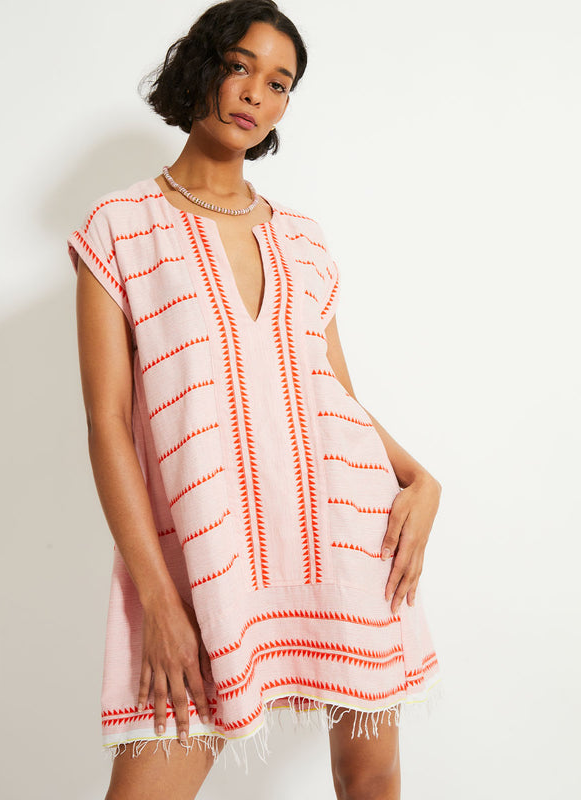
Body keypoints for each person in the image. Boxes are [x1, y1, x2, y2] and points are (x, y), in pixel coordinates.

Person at [66, 1, 444, 798]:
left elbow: (331, 394)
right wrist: (160, 605)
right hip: (207, 568)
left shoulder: (303, 240)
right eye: (241, 67)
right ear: (201, 65)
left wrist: (422, 480)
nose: (256, 96)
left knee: (370, 783)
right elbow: (105, 424)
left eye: (280, 83)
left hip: (344, 543)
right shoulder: (120, 229)